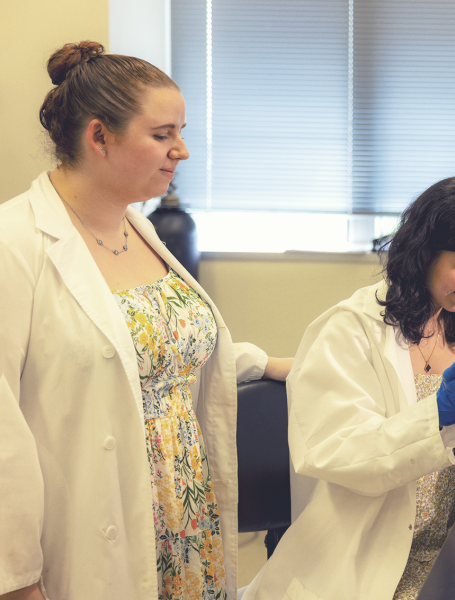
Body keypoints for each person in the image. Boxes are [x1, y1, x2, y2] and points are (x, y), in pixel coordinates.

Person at [0, 42, 292, 600]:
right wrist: (15, 580)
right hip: (93, 529)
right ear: (99, 136)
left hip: (186, 525)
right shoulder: (14, 243)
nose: (181, 150)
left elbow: (150, 345)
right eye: (162, 134)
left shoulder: (138, 226)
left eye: (181, 131)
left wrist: (265, 363)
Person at [241, 177, 455, 600]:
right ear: (424, 252)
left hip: (449, 548)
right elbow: (337, 451)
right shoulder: (348, 331)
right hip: (365, 557)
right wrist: (436, 410)